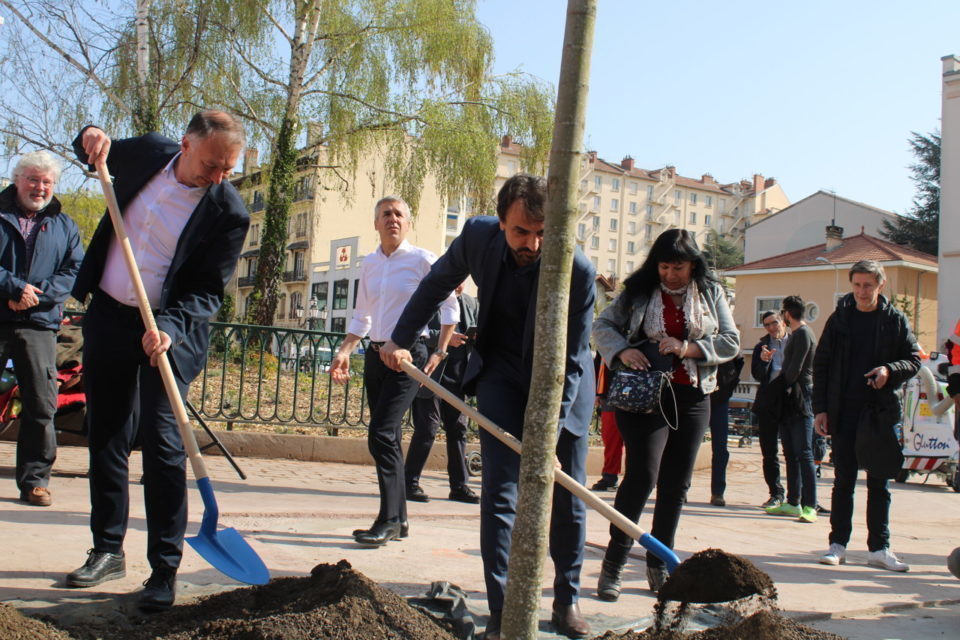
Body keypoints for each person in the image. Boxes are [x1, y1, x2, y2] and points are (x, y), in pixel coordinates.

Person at [381, 174, 596, 640]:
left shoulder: (577, 269)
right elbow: (436, 284)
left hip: (562, 381)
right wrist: (399, 339)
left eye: (542, 232)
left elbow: (574, 360)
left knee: (567, 495)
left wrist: (549, 435)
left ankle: (567, 600)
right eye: (522, 231)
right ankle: (502, 610)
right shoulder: (477, 235)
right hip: (501, 368)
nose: (534, 243)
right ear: (501, 223)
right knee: (501, 492)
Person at [65, 111, 250, 612]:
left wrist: (168, 327)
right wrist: (90, 137)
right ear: (187, 144)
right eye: (212, 164)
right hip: (108, 314)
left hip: (168, 330)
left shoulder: (228, 211)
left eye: (227, 169)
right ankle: (106, 549)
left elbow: (208, 290)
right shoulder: (148, 152)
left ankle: (163, 570)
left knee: (165, 446)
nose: (218, 177)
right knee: (105, 434)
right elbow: (95, 150)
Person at [593, 228, 739, 599]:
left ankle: (659, 564)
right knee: (642, 475)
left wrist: (689, 348)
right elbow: (602, 325)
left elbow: (730, 341)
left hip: (693, 396)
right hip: (644, 397)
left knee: (676, 485)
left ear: (693, 265)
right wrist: (622, 351)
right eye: (664, 267)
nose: (671, 275)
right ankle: (614, 563)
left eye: (678, 267)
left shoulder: (711, 292)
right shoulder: (638, 292)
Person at [330, 196, 457, 546]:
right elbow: (362, 316)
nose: (392, 219)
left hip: (406, 357)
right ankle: (399, 520)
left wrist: (439, 352)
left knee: (382, 434)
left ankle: (387, 520)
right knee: (389, 438)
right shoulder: (369, 263)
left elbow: (450, 305)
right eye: (385, 214)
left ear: (408, 223)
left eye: (399, 214)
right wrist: (344, 351)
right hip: (375, 356)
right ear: (376, 223)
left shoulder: (421, 260)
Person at [814, 260, 920, 571]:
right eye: (857, 285)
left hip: (880, 412)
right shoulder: (839, 319)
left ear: (880, 285)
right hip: (844, 410)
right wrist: (820, 408)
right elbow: (821, 366)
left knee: (879, 481)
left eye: (868, 285)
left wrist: (890, 370)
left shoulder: (894, 320)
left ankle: (879, 549)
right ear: (852, 285)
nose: (862, 291)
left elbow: (914, 359)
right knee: (843, 480)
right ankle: (838, 545)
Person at [0, 151, 83, 507]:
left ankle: (34, 481)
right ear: (18, 179)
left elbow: (74, 270)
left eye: (47, 182)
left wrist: (36, 296)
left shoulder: (65, 225)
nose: (40, 187)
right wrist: (12, 290)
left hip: (39, 324)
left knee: (40, 405)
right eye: (34, 179)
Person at [404, 282, 480, 504]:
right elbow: (419, 331)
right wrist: (445, 339)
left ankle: (459, 487)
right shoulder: (429, 297)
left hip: (459, 379)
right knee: (427, 429)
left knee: (458, 431)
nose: (459, 284)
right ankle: (410, 483)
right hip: (430, 373)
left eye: (463, 280)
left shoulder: (470, 303)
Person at [764, 296, 817, 522]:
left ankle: (810, 505)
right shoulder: (797, 334)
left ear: (787, 313)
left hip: (800, 397)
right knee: (789, 453)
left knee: (804, 452)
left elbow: (794, 369)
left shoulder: (804, 334)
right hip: (788, 398)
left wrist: (777, 387)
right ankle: (793, 502)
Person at [751, 310, 788, 508]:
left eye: (774, 322)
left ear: (783, 321)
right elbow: (757, 375)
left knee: (795, 452)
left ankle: (799, 496)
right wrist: (764, 361)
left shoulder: (796, 342)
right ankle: (776, 493)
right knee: (769, 452)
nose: (772, 327)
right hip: (768, 404)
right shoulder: (761, 347)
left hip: (791, 403)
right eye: (767, 325)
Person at [708, 352, 744, 507]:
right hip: (697, 397)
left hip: (720, 399)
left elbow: (739, 361)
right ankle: (682, 489)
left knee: (720, 448)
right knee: (689, 446)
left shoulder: (727, 334)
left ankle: (718, 492)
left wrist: (728, 386)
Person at [591, 353, 623, 492]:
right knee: (611, 437)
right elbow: (600, 362)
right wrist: (597, 392)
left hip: (642, 389)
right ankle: (610, 476)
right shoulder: (605, 334)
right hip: (609, 391)